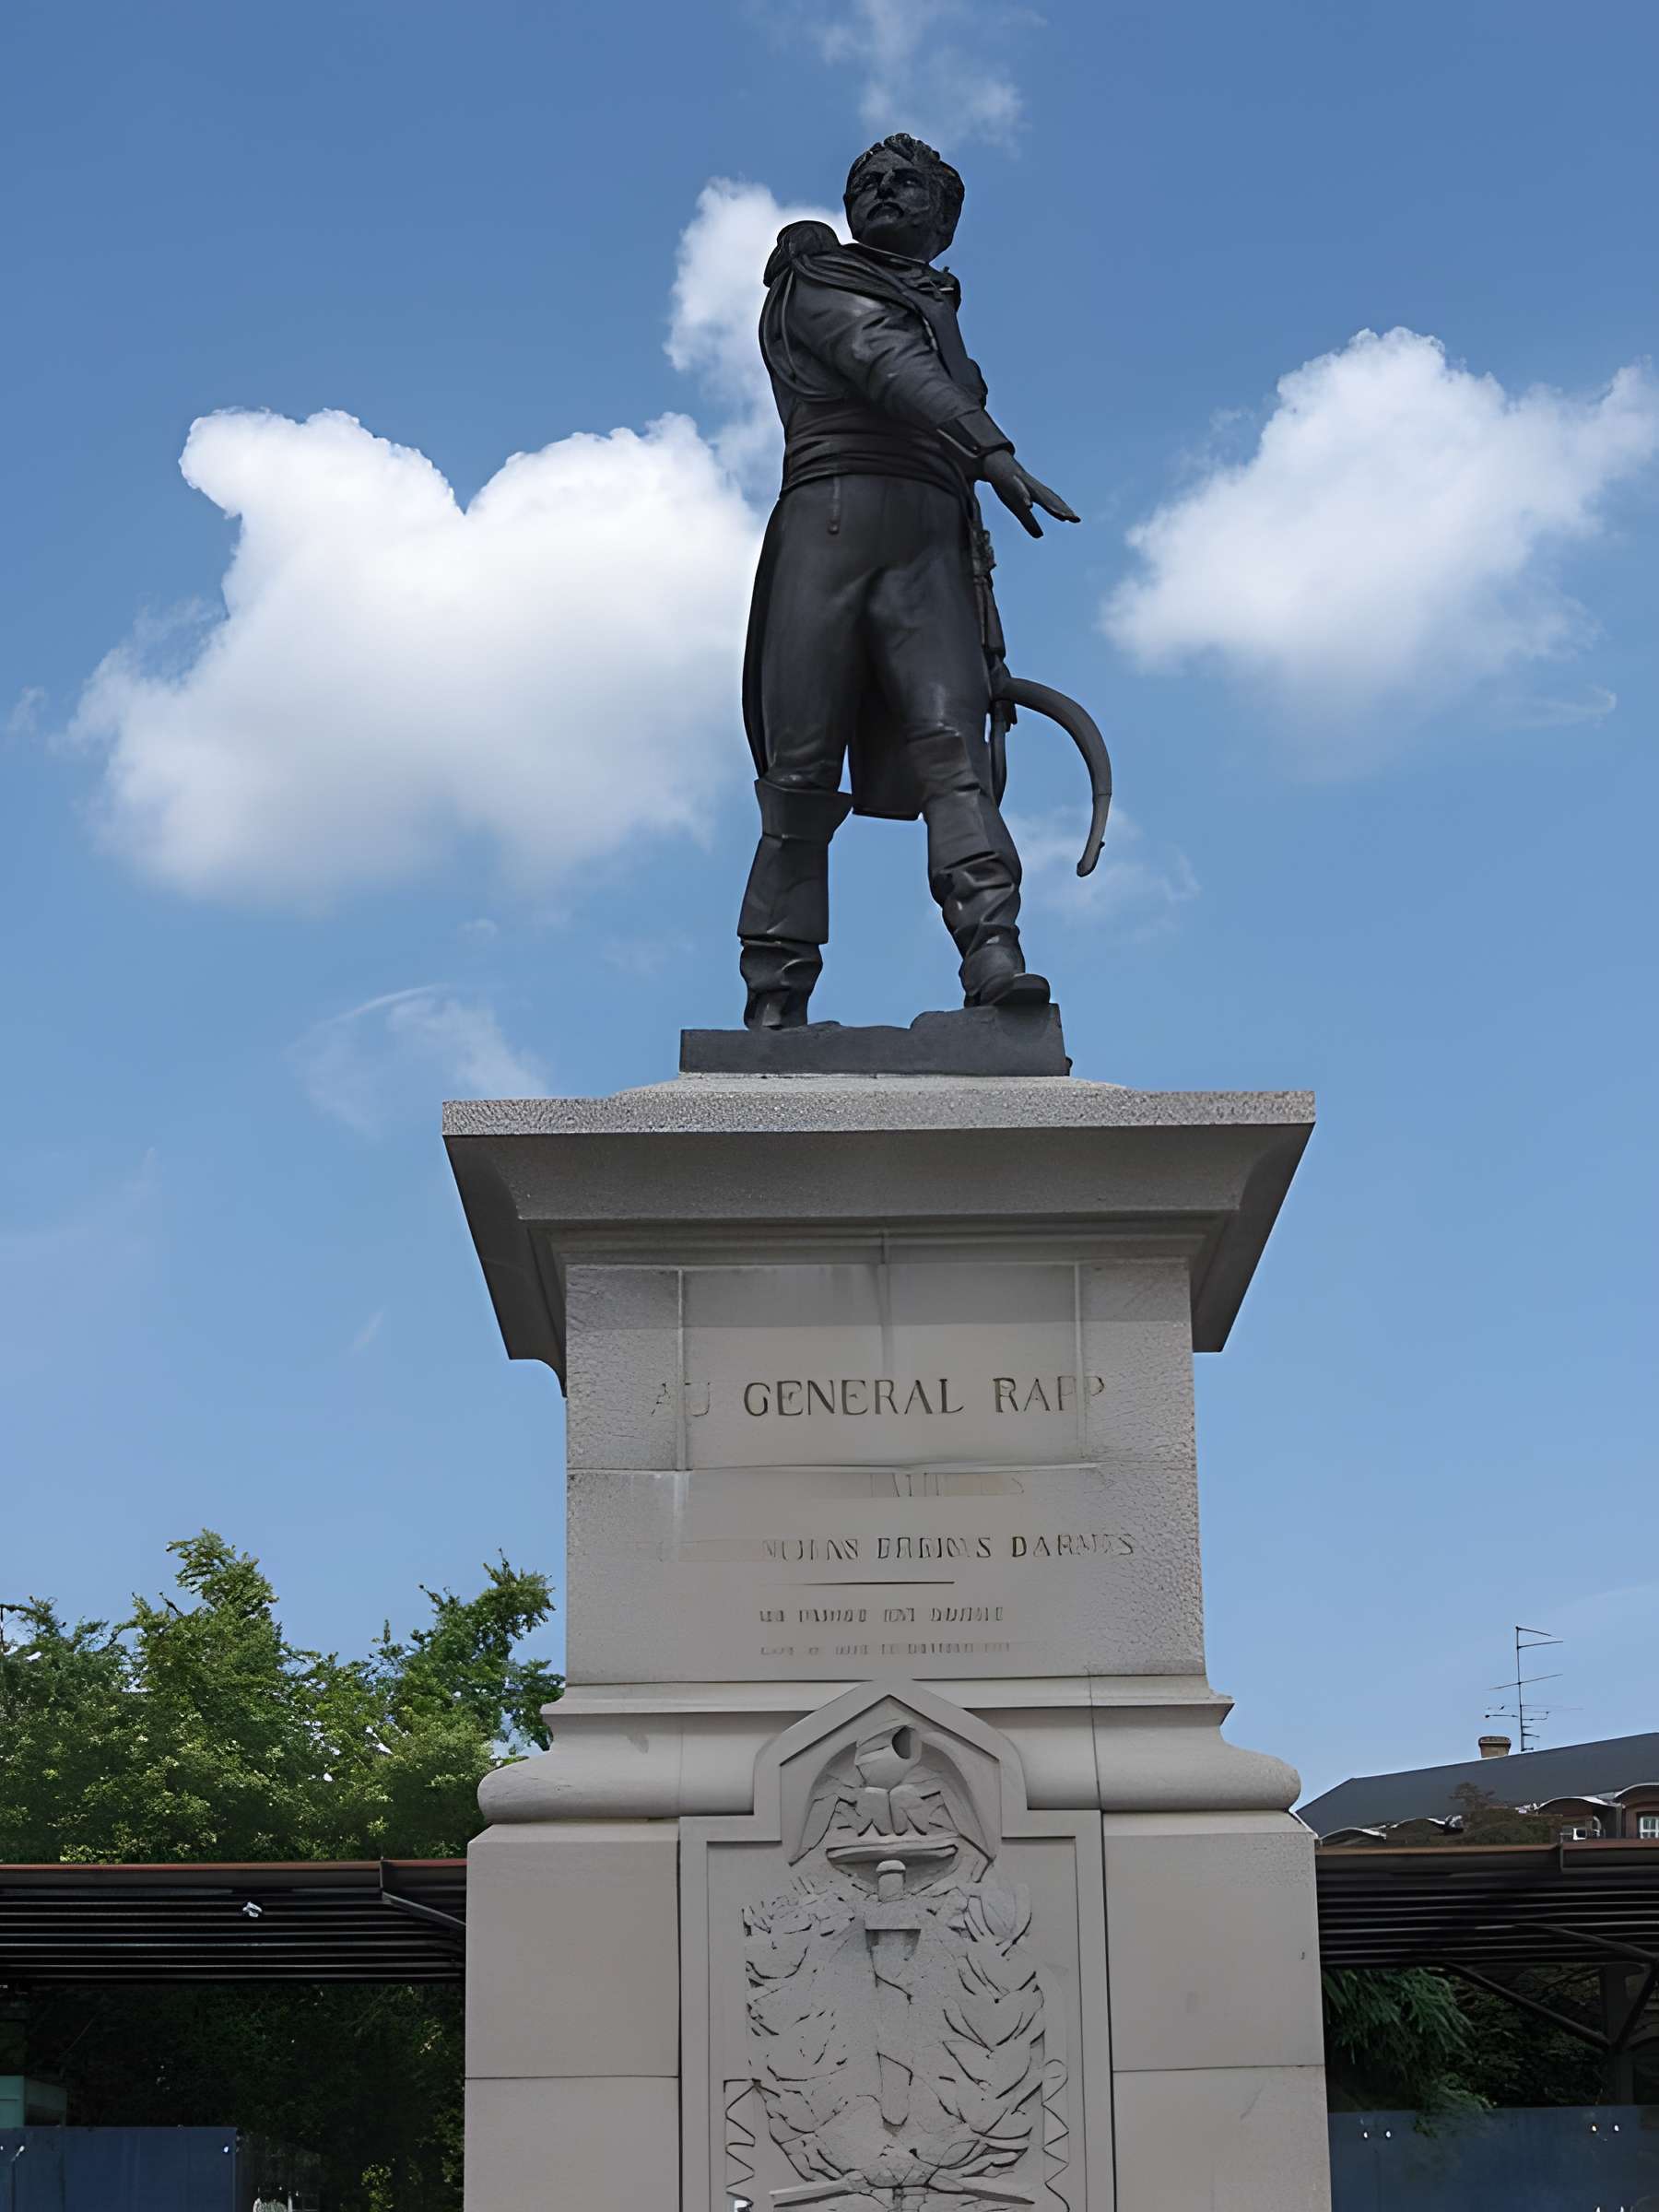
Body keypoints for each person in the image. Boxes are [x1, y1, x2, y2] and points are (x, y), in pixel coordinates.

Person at [737, 132, 1078, 1030]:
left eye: (905, 182)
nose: (882, 190)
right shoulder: (822, 280)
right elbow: (885, 363)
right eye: (866, 181)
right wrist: (991, 449)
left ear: (946, 216)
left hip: (932, 544)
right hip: (833, 522)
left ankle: (993, 951)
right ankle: (777, 989)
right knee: (801, 769)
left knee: (953, 748)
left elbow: (924, 375)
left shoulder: (941, 316)